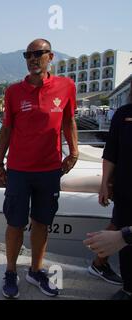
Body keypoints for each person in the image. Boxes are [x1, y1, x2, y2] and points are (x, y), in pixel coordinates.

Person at [0, 39, 79, 299]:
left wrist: (74, 152)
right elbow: (6, 129)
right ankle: (11, 271)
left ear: (50, 56)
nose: (32, 59)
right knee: (15, 223)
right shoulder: (13, 92)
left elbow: (69, 121)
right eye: (28, 55)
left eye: (38, 54)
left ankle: (35, 269)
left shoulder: (66, 86)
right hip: (19, 170)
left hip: (50, 169)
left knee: (42, 223)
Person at [85, 80, 132, 300]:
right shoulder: (123, 115)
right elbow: (111, 152)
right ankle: (128, 287)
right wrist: (105, 183)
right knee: (124, 242)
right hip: (125, 190)